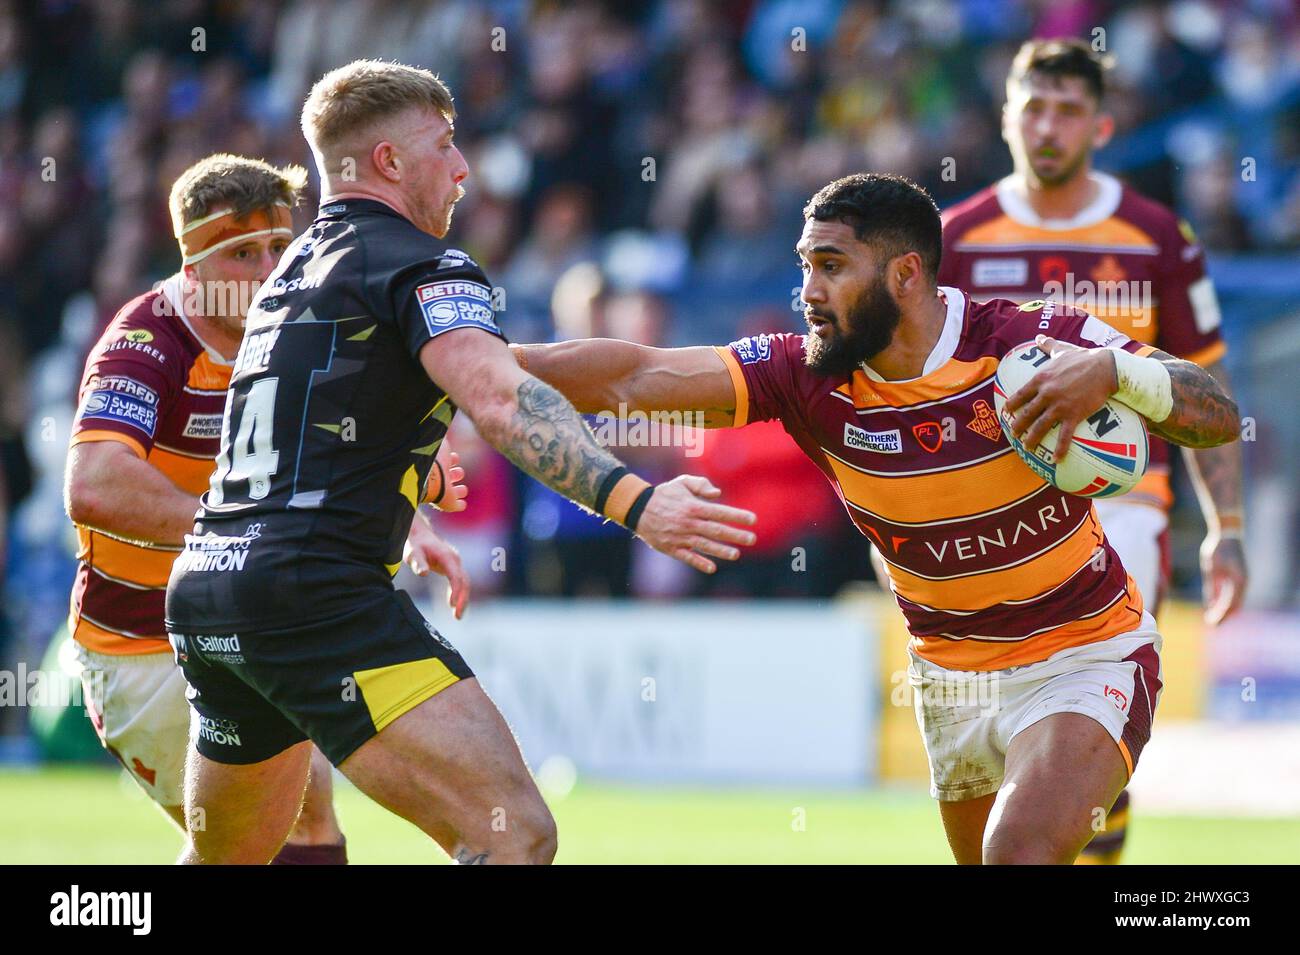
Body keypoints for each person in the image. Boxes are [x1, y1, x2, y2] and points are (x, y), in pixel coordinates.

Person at [514, 172, 1241, 864]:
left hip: (1083, 653)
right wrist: (471, 362)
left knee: (1017, 852)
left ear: (905, 276)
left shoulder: (1030, 343)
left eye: (831, 267)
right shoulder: (805, 375)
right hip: (949, 676)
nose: (808, 291)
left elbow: (1215, 413)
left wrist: (1116, 372)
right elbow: (633, 375)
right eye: (805, 266)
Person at [164, 60, 756, 865]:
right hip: (315, 593)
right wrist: (635, 502)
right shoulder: (419, 262)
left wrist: (723, 374)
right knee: (511, 831)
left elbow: (453, 381)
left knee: (226, 860)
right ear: (389, 164)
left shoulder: (290, 277)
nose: (464, 167)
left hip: (211, 592)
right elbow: (504, 399)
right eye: (444, 145)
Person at [63, 152, 469, 864]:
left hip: (238, 623)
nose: (267, 268)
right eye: (242, 253)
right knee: (273, 830)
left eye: (280, 248)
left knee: (287, 823)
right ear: (192, 270)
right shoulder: (147, 339)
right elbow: (93, 483)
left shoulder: (291, 330)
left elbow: (328, 459)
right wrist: (240, 531)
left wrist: (414, 521)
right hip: (136, 645)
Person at [938, 38, 1248, 863]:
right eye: (1032, 107)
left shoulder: (1155, 236)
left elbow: (1204, 393)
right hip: (992, 515)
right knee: (1008, 755)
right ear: (1006, 117)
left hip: (1124, 504)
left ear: (1102, 126)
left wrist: (1230, 525)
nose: (1048, 126)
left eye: (1068, 110)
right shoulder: (955, 238)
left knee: (1088, 731)